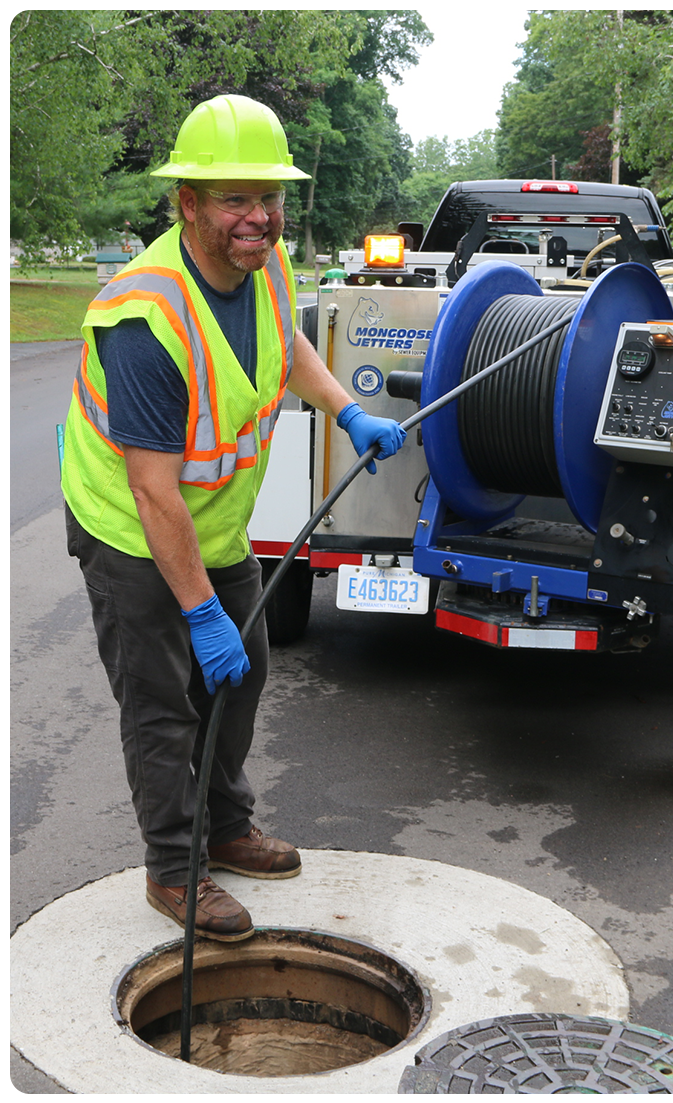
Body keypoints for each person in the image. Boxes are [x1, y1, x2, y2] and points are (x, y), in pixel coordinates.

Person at [60, 94, 406, 942]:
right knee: (164, 706)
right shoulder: (145, 317)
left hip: (212, 526)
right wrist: (200, 609)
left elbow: (287, 343)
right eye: (234, 199)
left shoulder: (266, 264)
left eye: (270, 196)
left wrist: (345, 411)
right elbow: (153, 492)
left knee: (240, 679)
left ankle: (225, 828)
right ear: (188, 203)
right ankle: (175, 870)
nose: (259, 216)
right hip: (131, 531)